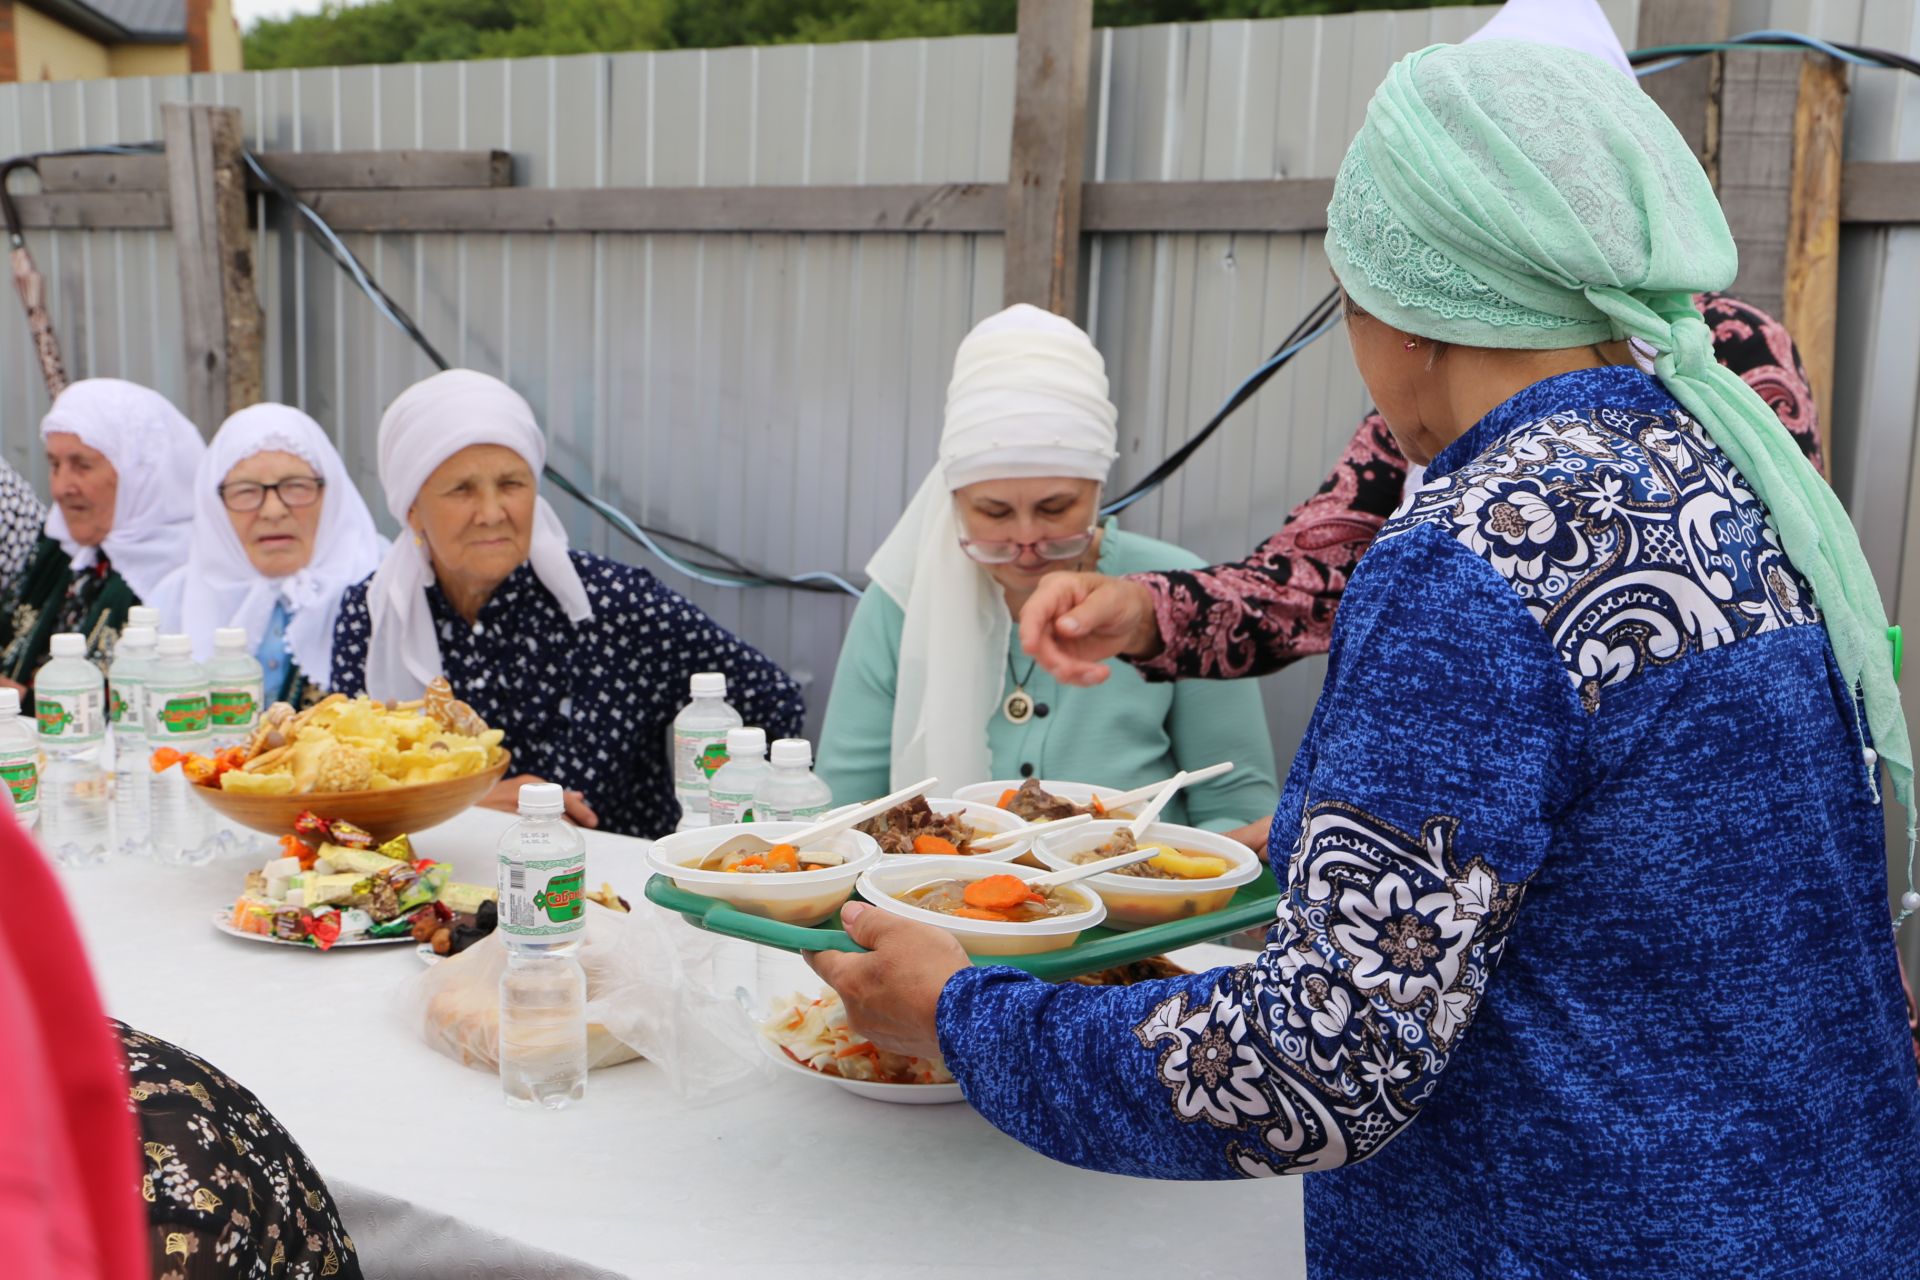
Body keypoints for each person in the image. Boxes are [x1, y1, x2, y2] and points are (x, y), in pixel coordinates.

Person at [810, 37, 1920, 1277]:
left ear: (1404, 309)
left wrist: (963, 1015)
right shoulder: (1727, 472)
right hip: (1819, 1204)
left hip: (1592, 1228)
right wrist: (1315, 850)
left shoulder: (1473, 550)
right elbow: (1640, 864)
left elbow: (1317, 1063)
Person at [817, 304, 1278, 826]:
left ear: (1099, 489)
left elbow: (1239, 809)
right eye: (992, 513)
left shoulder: (1179, 596)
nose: (1027, 541)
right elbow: (843, 815)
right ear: (951, 500)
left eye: (1056, 509)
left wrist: (1160, 882)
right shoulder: (902, 602)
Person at [329, 369, 805, 837]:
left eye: (512, 484)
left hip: (618, 891)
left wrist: (719, 827)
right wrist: (466, 800)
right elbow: (347, 783)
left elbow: (772, 700)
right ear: (412, 508)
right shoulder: (372, 616)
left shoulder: (616, 603)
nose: (493, 513)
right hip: (428, 892)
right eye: (462, 490)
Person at [152, 403, 388, 707]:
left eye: (297, 487)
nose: (273, 511)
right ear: (216, 508)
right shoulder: (174, 601)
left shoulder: (382, 586)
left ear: (331, 495)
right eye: (246, 491)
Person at [0, 379, 203, 689]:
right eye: (54, 465)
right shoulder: (62, 549)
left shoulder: (185, 575)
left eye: (82, 465)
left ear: (139, 472)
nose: (61, 488)